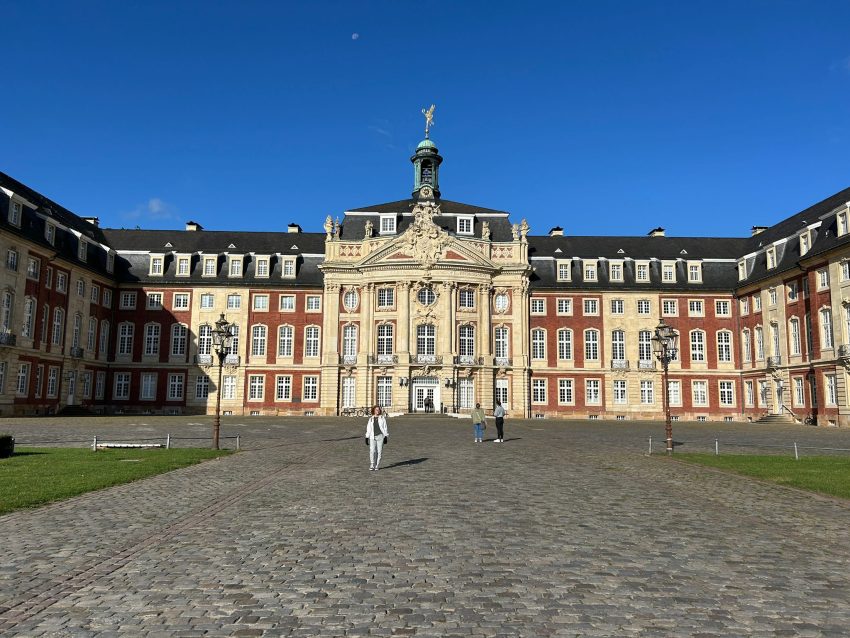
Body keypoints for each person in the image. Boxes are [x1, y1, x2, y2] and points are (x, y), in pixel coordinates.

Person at [364, 405, 389, 471]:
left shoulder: (382, 418)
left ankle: (377, 465)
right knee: (372, 451)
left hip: (380, 436)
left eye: (378, 410)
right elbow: (368, 428)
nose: (377, 411)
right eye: (376, 410)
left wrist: (386, 436)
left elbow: (385, 427)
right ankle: (372, 464)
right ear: (374, 411)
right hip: (372, 437)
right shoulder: (371, 419)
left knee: (379, 452)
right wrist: (367, 437)